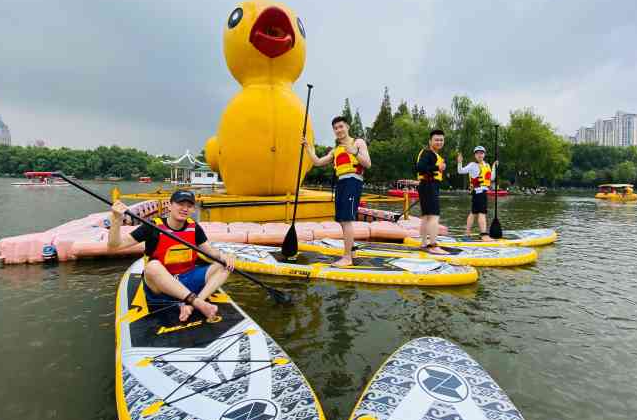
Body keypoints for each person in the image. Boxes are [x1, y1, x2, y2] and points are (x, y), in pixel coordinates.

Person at [107, 190, 235, 322]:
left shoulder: (194, 228)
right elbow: (114, 246)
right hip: (161, 286)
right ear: (170, 205)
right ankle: (198, 303)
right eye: (181, 204)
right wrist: (116, 219)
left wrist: (224, 256)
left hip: (187, 281)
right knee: (152, 266)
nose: (185, 209)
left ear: (193, 209)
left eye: (189, 206)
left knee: (224, 265)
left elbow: (211, 252)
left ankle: (193, 304)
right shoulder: (152, 227)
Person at [302, 116, 371, 266]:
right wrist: (308, 148)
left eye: (341, 126)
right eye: (336, 128)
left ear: (347, 127)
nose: (339, 130)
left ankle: (347, 258)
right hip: (341, 183)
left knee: (346, 220)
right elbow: (318, 162)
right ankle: (352, 251)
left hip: (353, 181)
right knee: (341, 220)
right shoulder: (336, 150)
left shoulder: (357, 142)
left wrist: (354, 152)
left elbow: (368, 163)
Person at [416, 129, 447, 254]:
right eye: (436, 140)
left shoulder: (434, 155)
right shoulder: (427, 153)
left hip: (427, 186)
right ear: (430, 141)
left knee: (426, 217)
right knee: (434, 216)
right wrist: (437, 167)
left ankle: (424, 244)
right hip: (429, 185)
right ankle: (433, 245)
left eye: (441, 140)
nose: (439, 142)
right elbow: (419, 168)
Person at [457, 145, 498, 241]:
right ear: (475, 155)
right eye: (477, 153)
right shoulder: (472, 165)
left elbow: (491, 178)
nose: (479, 155)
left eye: (481, 153)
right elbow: (460, 171)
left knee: (473, 213)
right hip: (478, 192)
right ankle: (484, 235)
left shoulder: (487, 165)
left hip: (483, 192)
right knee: (482, 213)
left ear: (484, 154)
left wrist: (494, 167)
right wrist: (459, 162)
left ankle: (467, 235)